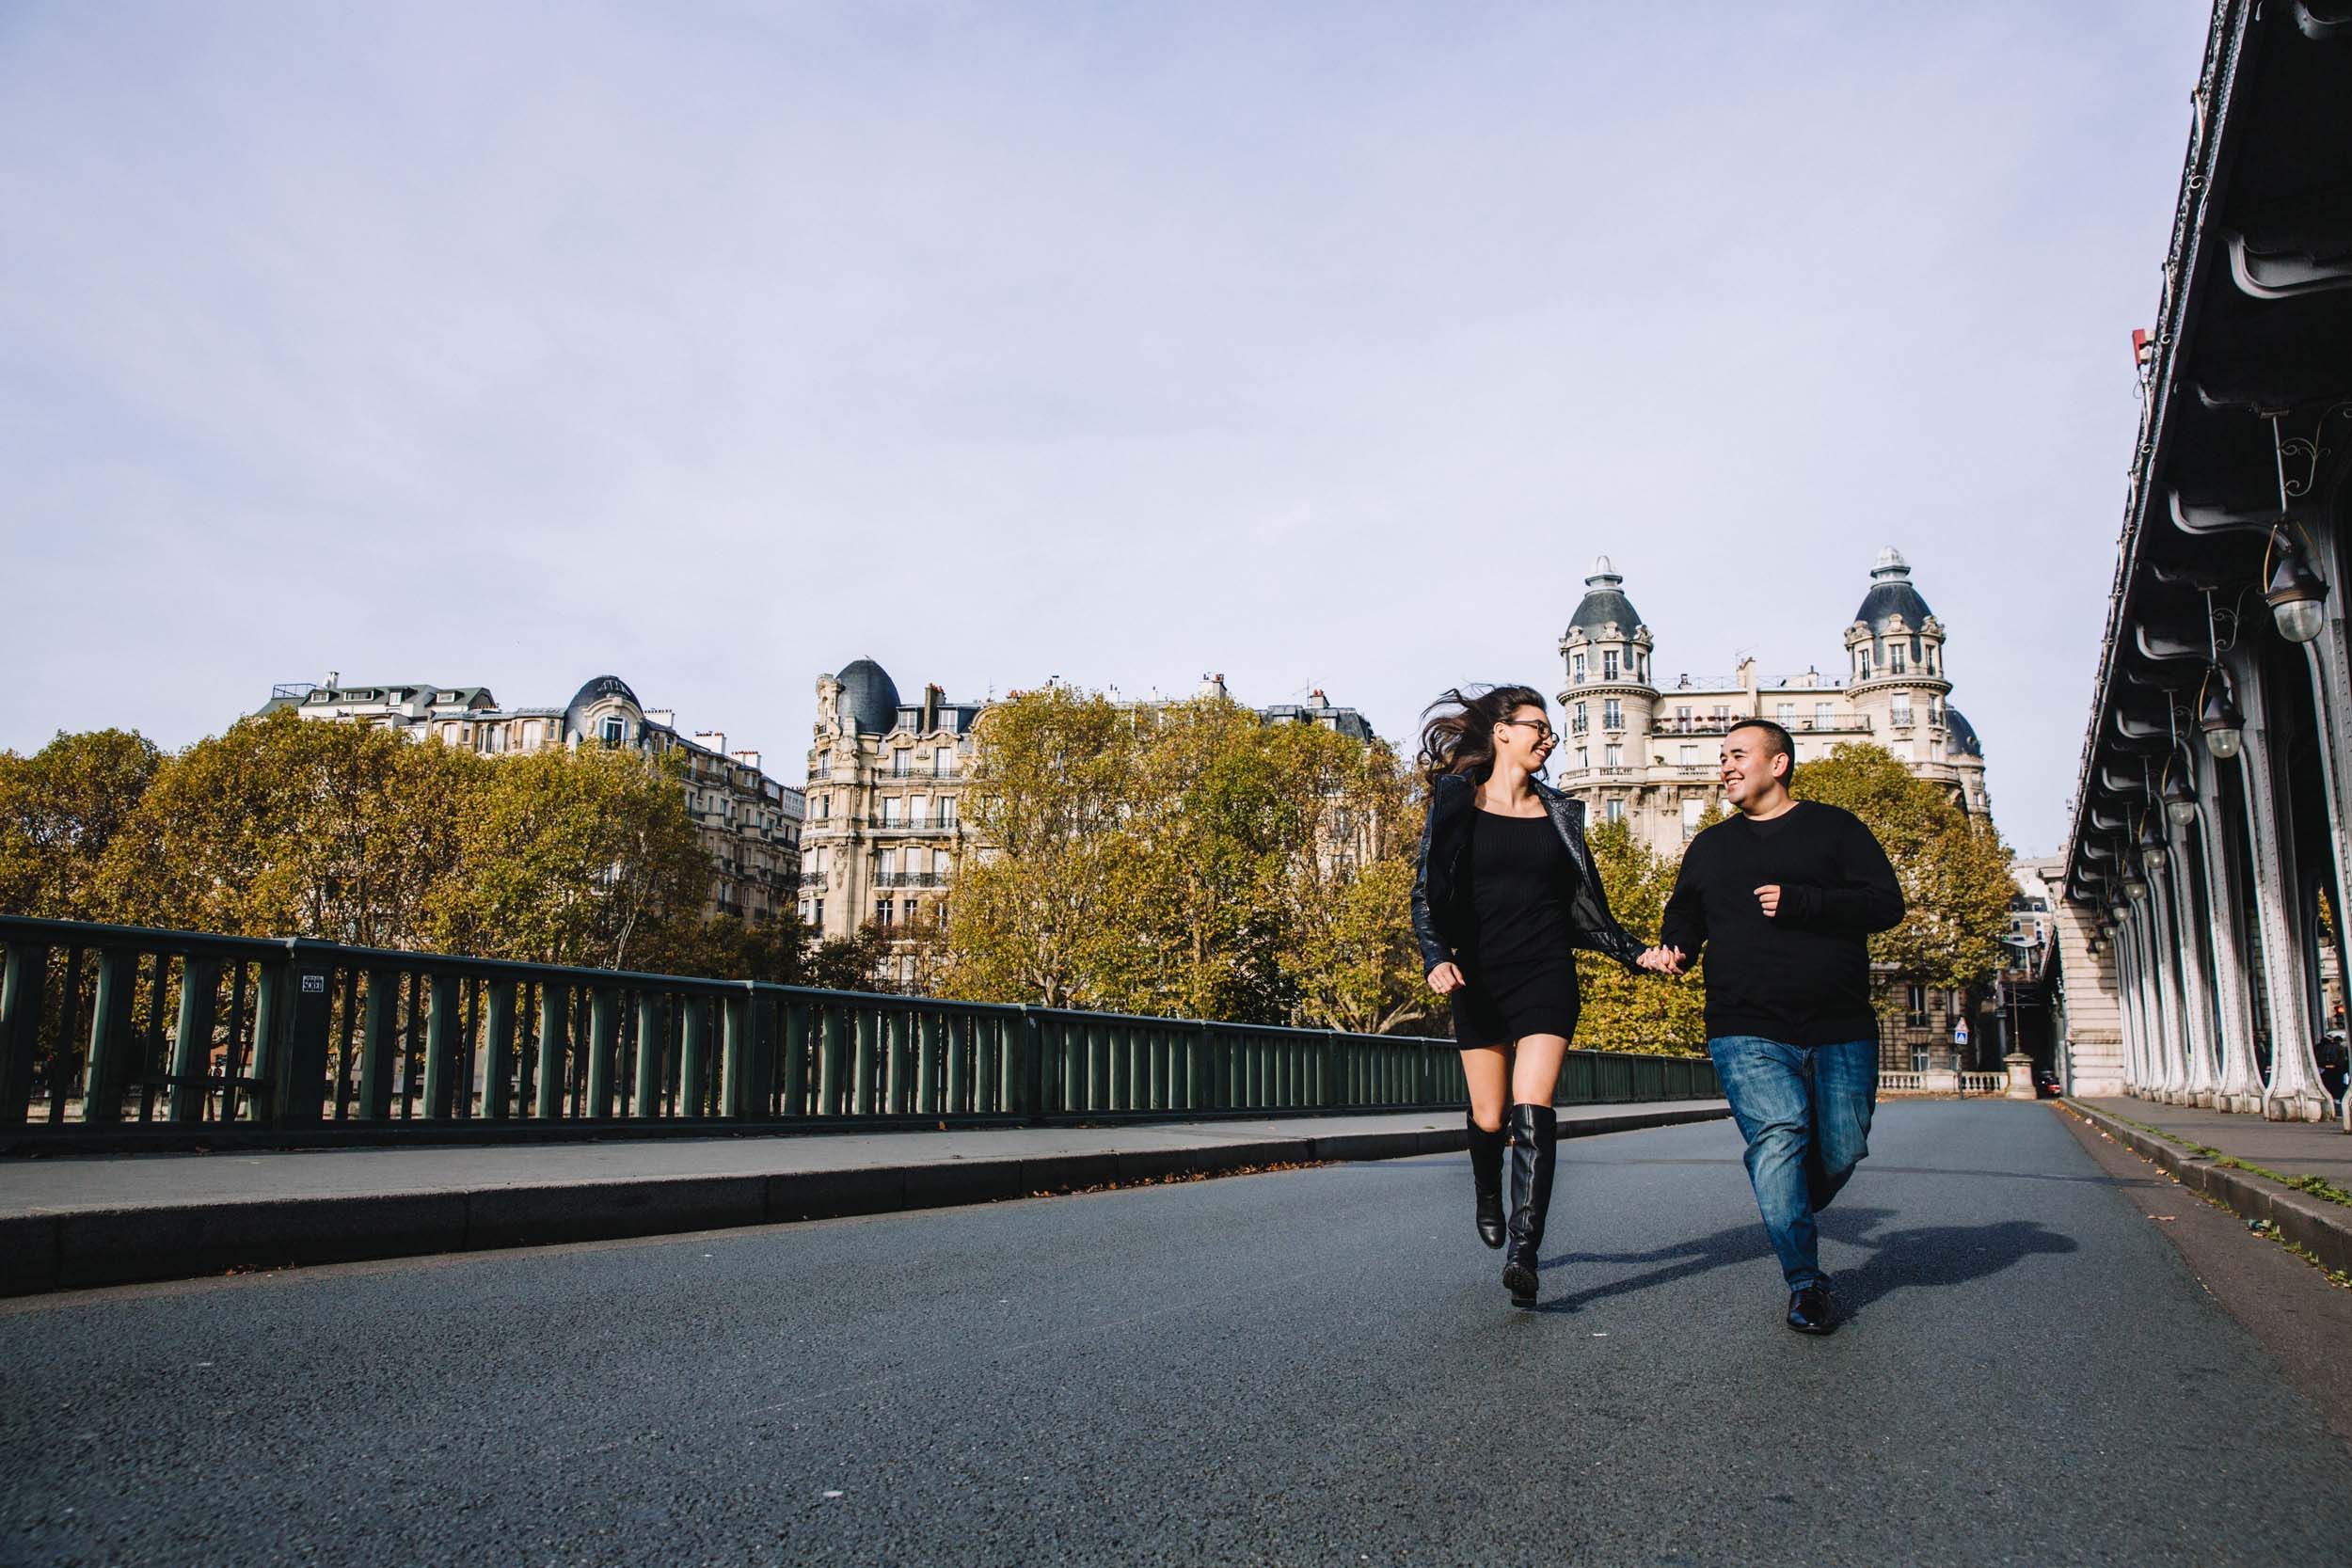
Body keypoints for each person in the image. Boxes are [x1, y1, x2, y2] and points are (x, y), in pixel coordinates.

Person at [1640, 718, 1902, 1335]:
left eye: (1737, 754)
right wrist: (1676, 949)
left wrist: (1806, 901)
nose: (1725, 766)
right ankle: (1806, 1283)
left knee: (1842, 1149)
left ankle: (1781, 1186)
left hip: (1840, 1024)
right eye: (1721, 757)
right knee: (1779, 1135)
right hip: (1744, 1025)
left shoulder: (1836, 829)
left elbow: (1886, 904)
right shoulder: (1710, 847)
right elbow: (1684, 915)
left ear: (1778, 763)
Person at [1412, 684, 1653, 1307]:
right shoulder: (1457, 802)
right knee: (1490, 1117)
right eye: (1537, 726)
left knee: (1533, 1104)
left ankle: (1525, 1248)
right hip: (1478, 974)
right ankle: (1488, 1192)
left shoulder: (1561, 813)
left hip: (1546, 972)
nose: (1548, 738)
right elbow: (1426, 895)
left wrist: (1637, 952)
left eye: (1550, 731)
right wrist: (1437, 958)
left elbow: (1588, 911)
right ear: (1501, 731)